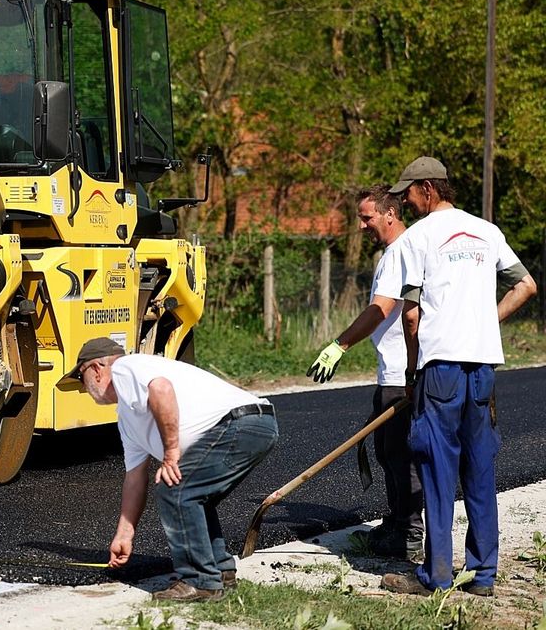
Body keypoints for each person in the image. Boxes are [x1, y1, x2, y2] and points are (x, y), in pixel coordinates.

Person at [380, 157, 537, 598]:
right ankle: (483, 575)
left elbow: (411, 316)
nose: (406, 202)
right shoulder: (487, 232)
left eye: (409, 192)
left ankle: (437, 574)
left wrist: (412, 372)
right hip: (482, 369)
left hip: (441, 369)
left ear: (428, 189)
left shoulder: (420, 237)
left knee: (436, 469)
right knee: (480, 470)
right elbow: (526, 286)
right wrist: (486, 320)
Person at [69, 337, 279, 602]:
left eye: (80, 377)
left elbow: (162, 390)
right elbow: (135, 478)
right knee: (192, 493)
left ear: (97, 369)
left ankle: (199, 581)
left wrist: (170, 455)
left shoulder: (125, 368)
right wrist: (124, 534)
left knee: (175, 488)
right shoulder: (127, 418)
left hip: (242, 424)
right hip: (252, 424)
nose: (82, 387)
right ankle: (220, 570)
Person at [306, 184, 422, 559]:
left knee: (399, 454)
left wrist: (338, 345)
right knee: (388, 452)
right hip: (395, 368)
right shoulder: (403, 250)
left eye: (367, 217)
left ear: (390, 214)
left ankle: (410, 532)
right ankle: (399, 519)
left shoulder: (398, 253)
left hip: (400, 374)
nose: (361, 226)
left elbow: (380, 309)